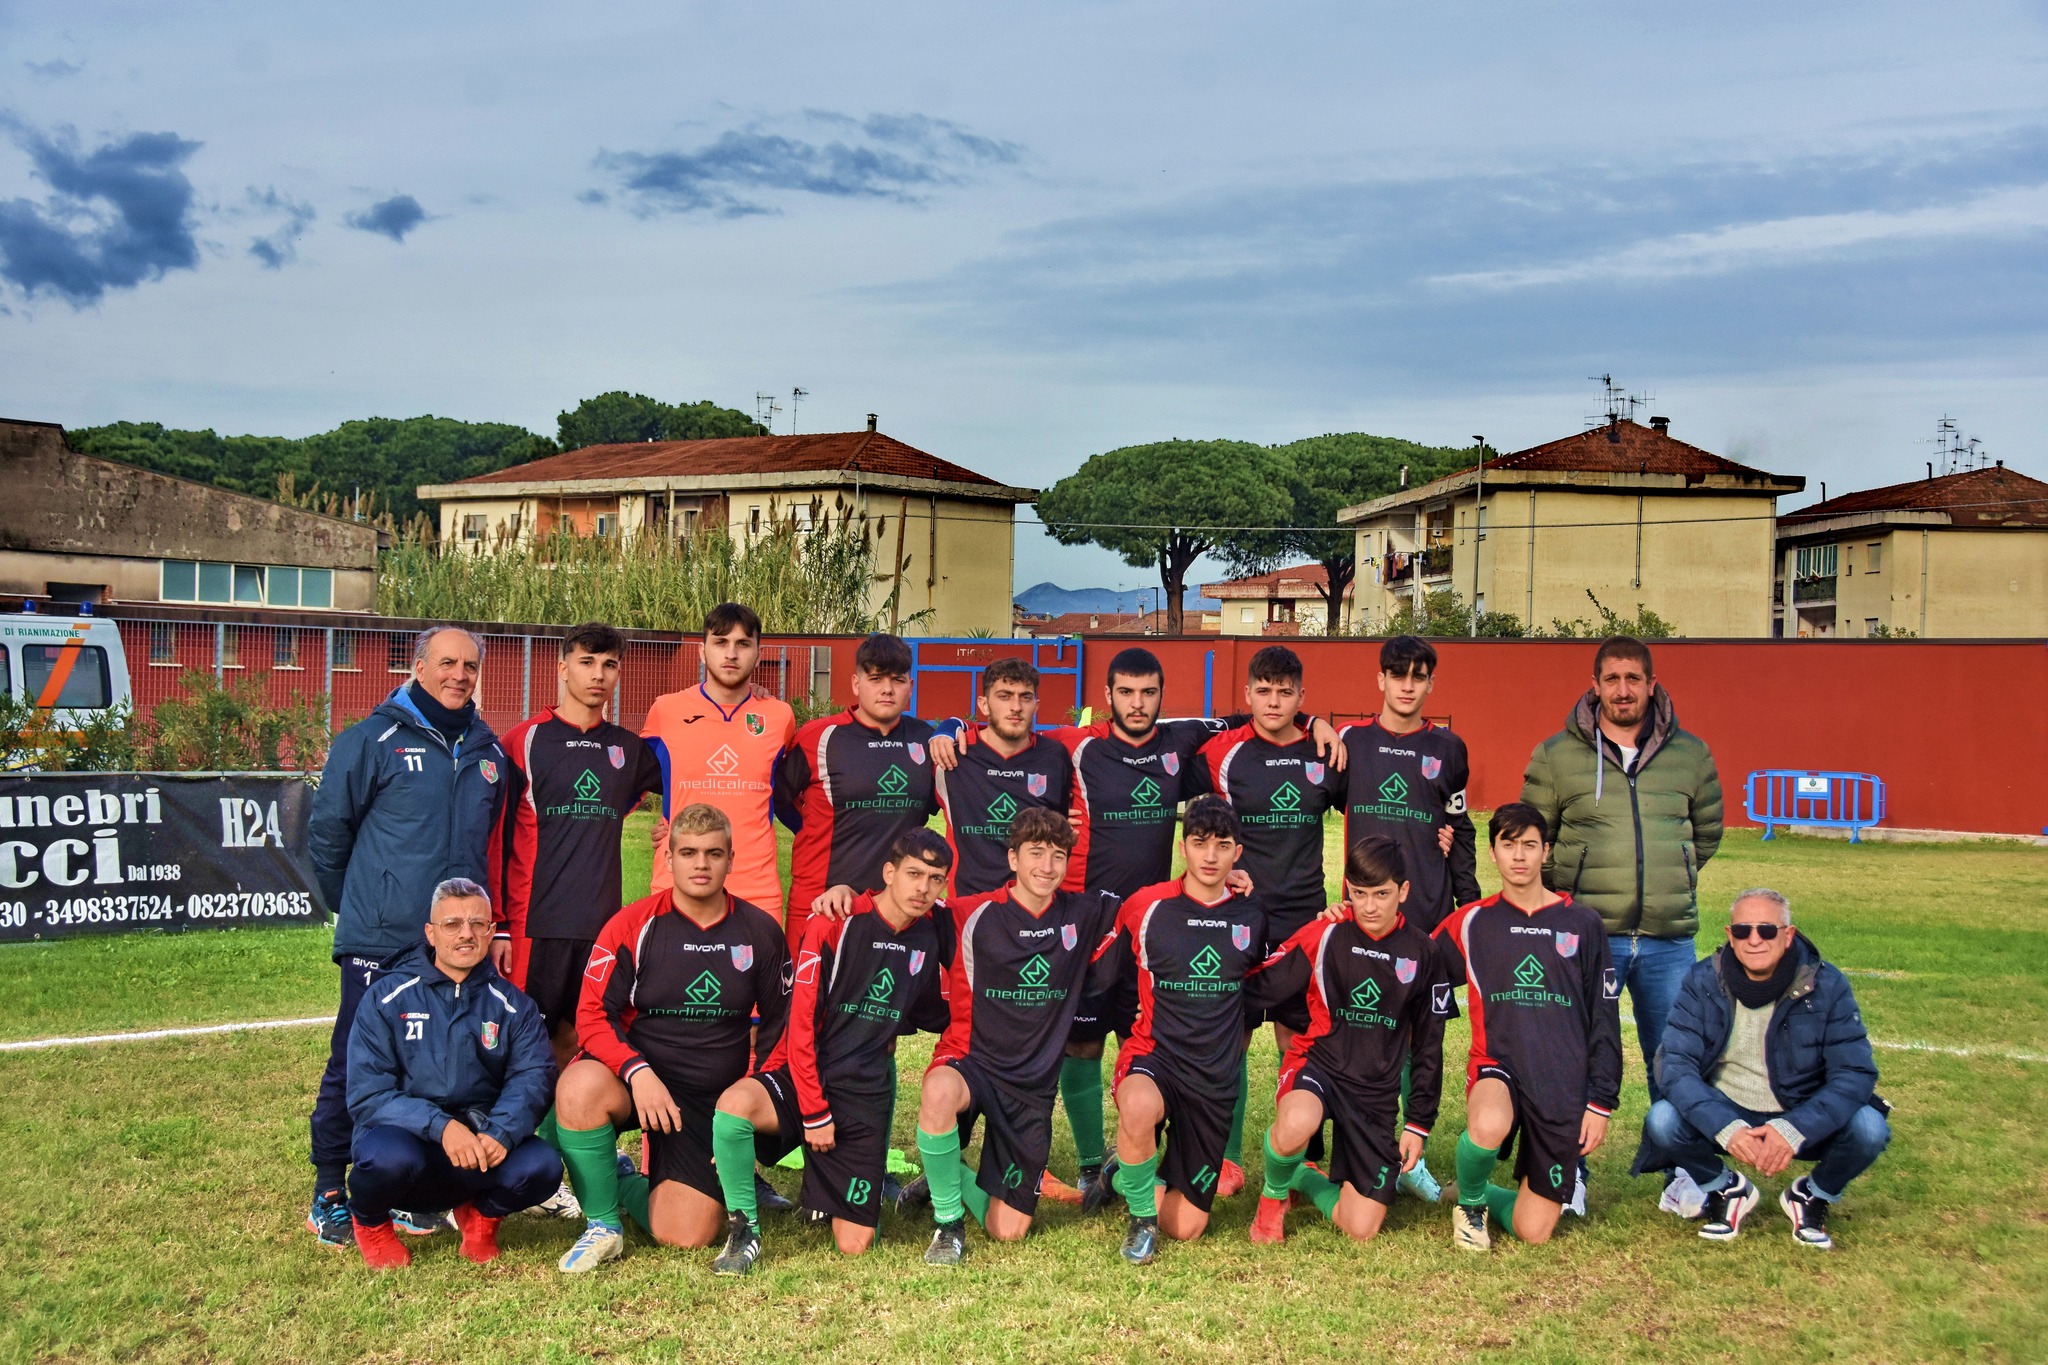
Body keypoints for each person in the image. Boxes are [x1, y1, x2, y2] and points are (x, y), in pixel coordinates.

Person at [966, 646, 1339, 1207]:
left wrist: (1316, 722)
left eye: (1148, 693)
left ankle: (1199, 1157)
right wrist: (951, 725)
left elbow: (1255, 720)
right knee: (1083, 1041)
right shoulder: (1075, 745)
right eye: (1126, 692)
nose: (1137, 704)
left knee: (1168, 1035)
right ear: (1107, 697)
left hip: (1156, 923)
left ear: (1161, 698)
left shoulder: (1180, 741)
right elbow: (1004, 736)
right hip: (1088, 919)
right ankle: (1093, 1165)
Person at [304, 626, 509, 1246]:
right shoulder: (372, 739)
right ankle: (329, 1190)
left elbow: (490, 847)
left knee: (451, 1062)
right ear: (418, 666)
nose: (459, 675)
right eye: (446, 663)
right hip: (381, 939)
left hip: (455, 943)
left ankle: (421, 1192)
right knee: (354, 1060)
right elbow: (327, 836)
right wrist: (364, 908)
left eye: (470, 665)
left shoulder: (489, 753)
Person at [1521, 634, 1723, 1211]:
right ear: (1595, 686)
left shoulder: (1692, 755)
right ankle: (1570, 1173)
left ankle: (1685, 1171)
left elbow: (1705, 835)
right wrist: (1575, 887)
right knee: (1574, 1055)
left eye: (1634, 679)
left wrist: (1671, 873)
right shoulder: (1557, 755)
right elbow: (1534, 836)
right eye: (1612, 679)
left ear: (1652, 685)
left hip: (1668, 938)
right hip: (1587, 933)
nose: (1624, 690)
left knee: (1678, 1058)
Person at [550, 804, 791, 1272]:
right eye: (689, 852)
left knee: (685, 1235)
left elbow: (782, 1027)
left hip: (710, 1101)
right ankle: (602, 1225)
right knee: (578, 1085)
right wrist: (637, 1071)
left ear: (731, 859)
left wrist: (742, 1108)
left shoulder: (760, 932)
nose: (701, 864)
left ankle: (621, 1181)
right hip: (640, 1082)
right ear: (669, 859)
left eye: (713, 853)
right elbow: (592, 1014)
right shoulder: (632, 925)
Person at [707, 829, 954, 1274]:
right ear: (889, 872)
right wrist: (815, 1111)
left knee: (856, 1244)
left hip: (864, 1096)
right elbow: (799, 1025)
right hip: (804, 1076)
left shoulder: (931, 930)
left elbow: (941, 1004)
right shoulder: (834, 922)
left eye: (936, 879)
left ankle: (829, 1193)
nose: (923, 888)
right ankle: (744, 1232)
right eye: (914, 874)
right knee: (734, 1108)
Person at [914, 806, 1125, 1265]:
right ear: (1012, 859)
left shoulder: (1085, 913)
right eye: (1035, 853)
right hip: (974, 1063)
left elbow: (1155, 906)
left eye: (1057, 856)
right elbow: (901, 909)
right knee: (937, 1091)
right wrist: (847, 894)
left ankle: (947, 1171)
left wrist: (1227, 883)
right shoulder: (971, 914)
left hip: (1031, 1089)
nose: (1047, 867)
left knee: (1007, 1230)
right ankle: (948, 1226)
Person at [1636, 889, 1888, 1249]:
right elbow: (1674, 1064)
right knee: (1662, 1119)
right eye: (1743, 931)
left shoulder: (1827, 985)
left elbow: (1855, 1073)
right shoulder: (1702, 980)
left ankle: (1812, 1195)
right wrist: (1726, 1126)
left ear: (1788, 935)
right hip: (1728, 1107)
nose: (1754, 940)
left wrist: (1793, 1128)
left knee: (1869, 1128)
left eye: (1767, 930)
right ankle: (1725, 1189)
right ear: (1729, 935)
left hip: (1799, 1109)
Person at [1244, 835, 1453, 1245]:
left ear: (1403, 891)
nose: (1370, 906)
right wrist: (1181, 996)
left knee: (1361, 1227)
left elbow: (1429, 1045)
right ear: (1347, 890)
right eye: (1359, 893)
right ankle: (1272, 1198)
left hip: (1374, 1092)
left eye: (1382, 894)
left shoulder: (1424, 954)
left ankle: (1302, 1175)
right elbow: (1260, 983)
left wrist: (1418, 1123)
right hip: (1318, 1066)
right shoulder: (1326, 934)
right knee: (1297, 1121)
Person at [343, 879, 561, 1268]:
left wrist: (502, 1131)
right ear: (430, 932)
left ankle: (481, 1219)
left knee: (542, 1167)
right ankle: (372, 1223)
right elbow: (367, 1093)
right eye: (452, 924)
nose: (466, 934)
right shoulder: (386, 995)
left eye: (478, 924)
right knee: (386, 1160)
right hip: (408, 1144)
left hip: (479, 1147)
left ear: (492, 931)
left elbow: (533, 1077)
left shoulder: (514, 1005)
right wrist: (440, 1126)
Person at [1434, 802, 1622, 1250]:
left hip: (1562, 1081)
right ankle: (1472, 1205)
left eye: (1530, 846)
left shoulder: (1582, 923)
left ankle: (1469, 1189)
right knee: (1488, 1123)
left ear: (1546, 852)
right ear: (1494, 853)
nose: (1519, 856)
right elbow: (1413, 961)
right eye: (1508, 845)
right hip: (1497, 1065)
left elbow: (1604, 1018)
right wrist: (1347, 924)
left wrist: (1600, 1103)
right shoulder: (1473, 922)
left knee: (1532, 1231)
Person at [1089, 796, 1266, 1263]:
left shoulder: (1251, 914)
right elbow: (1099, 969)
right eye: (1200, 843)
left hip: (1212, 1079)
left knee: (1188, 1227)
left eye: (1222, 846)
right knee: (1138, 1103)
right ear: (1183, 847)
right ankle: (1141, 1219)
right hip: (1156, 1056)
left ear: (1237, 853)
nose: (1210, 856)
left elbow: (1262, 984)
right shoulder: (1146, 907)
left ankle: (1126, 1174)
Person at [1196, 645, 1344, 1198]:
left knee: (1296, 1041)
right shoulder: (1223, 753)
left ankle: (1296, 1157)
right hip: (1236, 920)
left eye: (1287, 692)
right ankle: (1227, 1158)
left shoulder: (1326, 753)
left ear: (1302, 698)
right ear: (1248, 695)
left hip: (1303, 921)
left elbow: (1368, 814)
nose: (1274, 700)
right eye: (1264, 690)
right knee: (1228, 1040)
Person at [495, 623, 664, 1066]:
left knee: (582, 1043)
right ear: (562, 669)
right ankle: (514, 1134)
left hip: (600, 925)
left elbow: (693, 778)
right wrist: (498, 924)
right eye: (586, 662)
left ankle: (563, 1134)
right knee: (523, 1044)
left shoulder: (629, 749)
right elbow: (494, 838)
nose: (598, 675)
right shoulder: (524, 741)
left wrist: (674, 824)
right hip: (535, 924)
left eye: (609, 665)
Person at [775, 631, 945, 955]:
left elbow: (965, 797)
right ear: (856, 683)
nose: (887, 689)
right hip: (822, 902)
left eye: (897, 679)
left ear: (910, 686)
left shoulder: (926, 739)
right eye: (876, 678)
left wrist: (952, 725)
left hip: (898, 907)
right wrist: (811, 828)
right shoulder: (818, 737)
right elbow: (777, 798)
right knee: (809, 1003)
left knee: (885, 1004)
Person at [642, 603, 797, 916]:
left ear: (758, 652)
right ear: (702, 651)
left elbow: (791, 791)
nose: (731, 654)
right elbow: (636, 780)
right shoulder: (666, 711)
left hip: (756, 892)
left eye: (742, 644)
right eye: (721, 642)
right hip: (677, 887)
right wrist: (664, 821)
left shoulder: (780, 717)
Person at [1337, 635, 1479, 935]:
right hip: (1365, 912)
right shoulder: (1349, 740)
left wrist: (1469, 906)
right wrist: (1313, 723)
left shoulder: (1449, 748)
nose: (1407, 686)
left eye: (1418, 677)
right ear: (1381, 679)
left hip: (1429, 915)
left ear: (1431, 683)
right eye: (1398, 675)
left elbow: (1460, 830)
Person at [933, 657, 1074, 897]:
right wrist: (948, 727)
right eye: (1005, 696)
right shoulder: (952, 756)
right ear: (984, 704)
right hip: (968, 906)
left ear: (1036, 705)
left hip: (1034, 907)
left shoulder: (1055, 756)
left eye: (1025, 697)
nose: (1016, 707)